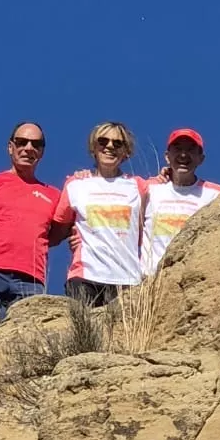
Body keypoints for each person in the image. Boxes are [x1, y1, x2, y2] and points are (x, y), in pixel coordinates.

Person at [0, 123, 64, 326]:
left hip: (30, 277)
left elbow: (59, 233)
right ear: (10, 147)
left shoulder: (53, 195)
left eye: (36, 144)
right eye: (21, 142)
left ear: (42, 152)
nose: (28, 148)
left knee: (28, 339)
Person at [51, 122, 144, 306]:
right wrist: (72, 234)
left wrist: (167, 172)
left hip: (127, 279)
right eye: (103, 141)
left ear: (126, 152)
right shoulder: (75, 184)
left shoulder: (140, 186)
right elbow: (56, 230)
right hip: (85, 277)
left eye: (118, 144)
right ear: (94, 147)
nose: (109, 146)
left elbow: (170, 191)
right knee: (84, 333)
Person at [140, 128, 220, 275]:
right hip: (149, 281)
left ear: (201, 158)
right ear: (167, 157)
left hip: (192, 279)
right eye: (178, 149)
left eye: (191, 150)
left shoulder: (216, 194)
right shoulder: (149, 189)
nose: (183, 155)